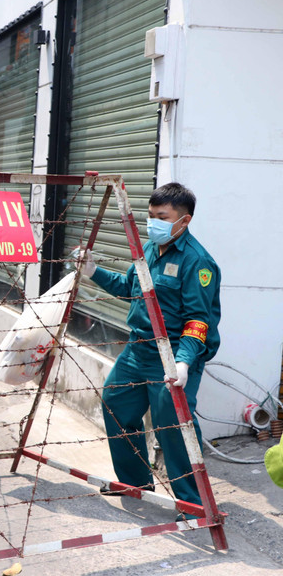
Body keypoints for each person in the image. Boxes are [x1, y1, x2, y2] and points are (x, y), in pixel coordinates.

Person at [81, 182, 221, 511]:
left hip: (173, 353)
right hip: (139, 348)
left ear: (183, 221)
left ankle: (193, 503)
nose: (153, 222)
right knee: (116, 404)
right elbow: (130, 286)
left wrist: (184, 362)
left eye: (162, 216)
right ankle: (135, 484)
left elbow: (199, 320)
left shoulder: (197, 262)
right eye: (150, 215)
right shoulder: (148, 249)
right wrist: (93, 272)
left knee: (173, 425)